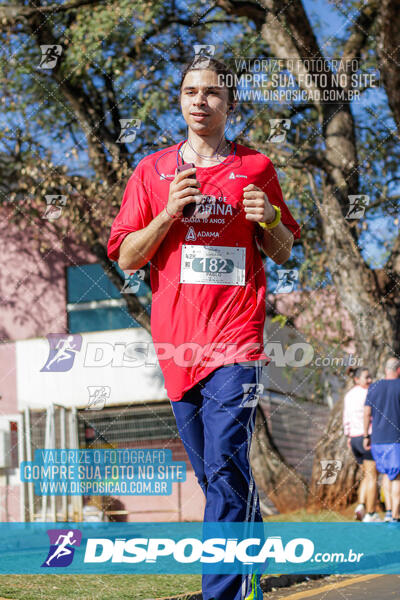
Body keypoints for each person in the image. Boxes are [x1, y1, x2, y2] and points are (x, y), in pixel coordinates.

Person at [107, 57, 300, 600]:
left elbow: (282, 250)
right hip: (176, 345)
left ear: (230, 102)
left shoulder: (257, 167)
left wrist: (269, 220)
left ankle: (221, 592)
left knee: (223, 465)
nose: (200, 101)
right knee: (218, 478)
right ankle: (253, 569)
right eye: (190, 91)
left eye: (212, 92)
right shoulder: (151, 172)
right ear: (180, 99)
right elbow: (126, 256)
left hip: (236, 340)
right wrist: (167, 214)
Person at [364, 357, 400, 523]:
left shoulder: (374, 386)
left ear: (386, 369)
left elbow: (366, 413)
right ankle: (396, 516)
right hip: (395, 439)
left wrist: (366, 435)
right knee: (397, 477)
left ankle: (388, 512)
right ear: (398, 370)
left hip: (378, 440)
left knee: (386, 475)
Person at [343, 366, 380, 522]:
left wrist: (348, 436)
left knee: (366, 475)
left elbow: (346, 417)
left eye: (370, 377)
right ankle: (371, 514)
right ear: (357, 379)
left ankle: (361, 506)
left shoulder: (349, 395)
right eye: (367, 377)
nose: (370, 380)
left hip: (354, 439)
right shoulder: (368, 393)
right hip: (367, 437)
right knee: (372, 476)